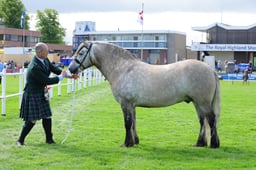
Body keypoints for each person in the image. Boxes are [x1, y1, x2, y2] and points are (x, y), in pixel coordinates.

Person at [16, 42, 78, 146]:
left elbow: (55, 69)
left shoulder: (44, 59)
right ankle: (20, 140)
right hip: (33, 93)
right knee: (32, 120)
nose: (48, 52)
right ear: (39, 52)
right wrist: (61, 77)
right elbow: (46, 80)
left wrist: (70, 76)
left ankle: (49, 139)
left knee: (47, 116)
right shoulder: (34, 66)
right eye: (46, 51)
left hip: (41, 92)